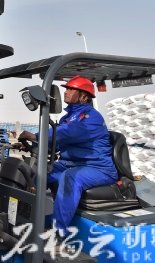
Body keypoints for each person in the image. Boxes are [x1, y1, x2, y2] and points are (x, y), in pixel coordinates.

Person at [18, 75, 118, 236]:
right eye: (67, 89)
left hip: (98, 168)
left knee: (70, 177)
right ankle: (27, 221)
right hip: (71, 164)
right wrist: (32, 144)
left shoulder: (91, 117)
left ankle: (58, 233)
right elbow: (57, 143)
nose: (66, 92)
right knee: (35, 172)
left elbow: (68, 132)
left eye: (71, 89)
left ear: (84, 97)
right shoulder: (68, 118)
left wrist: (36, 136)